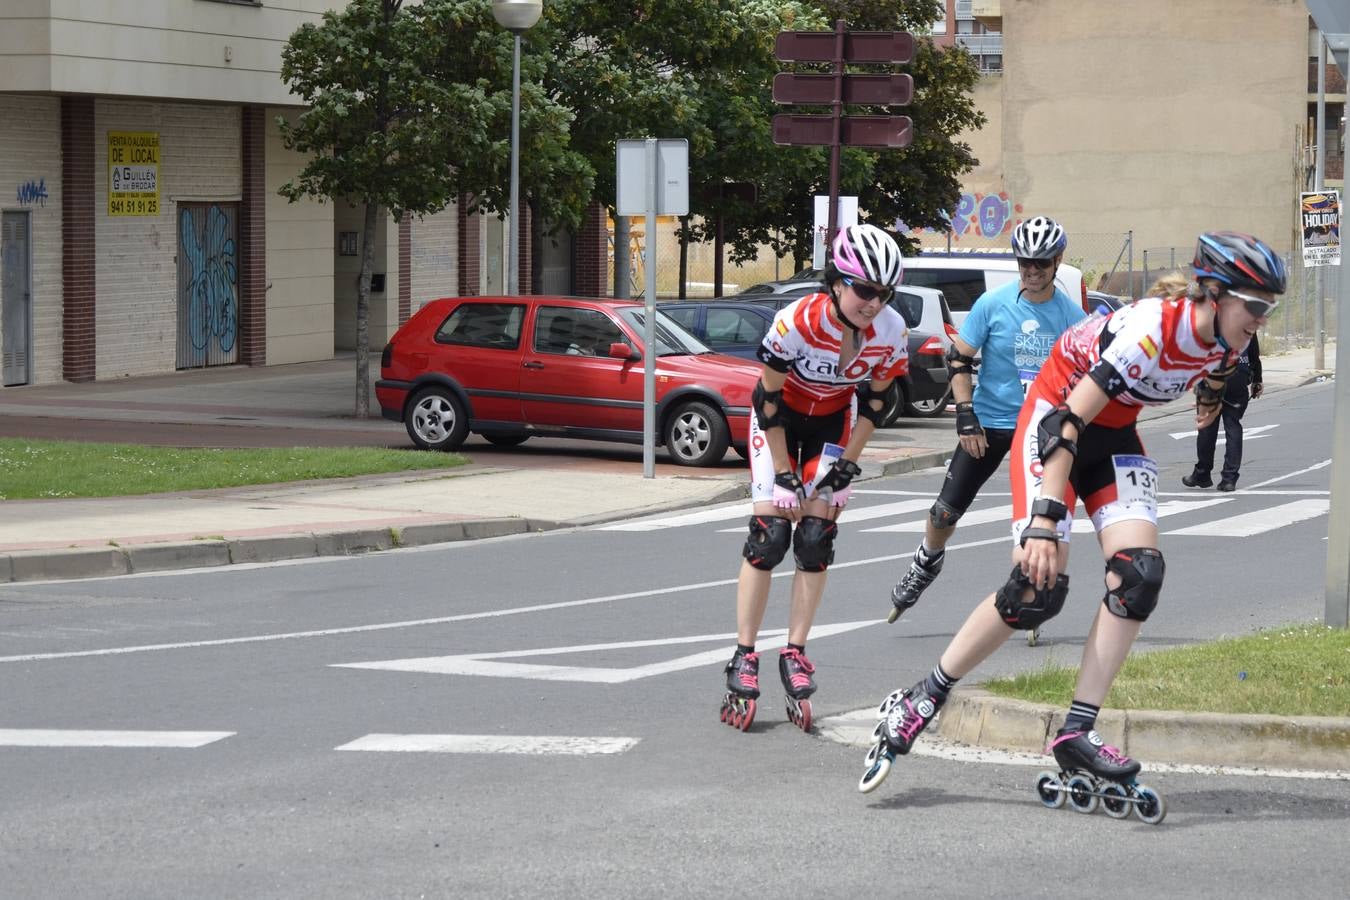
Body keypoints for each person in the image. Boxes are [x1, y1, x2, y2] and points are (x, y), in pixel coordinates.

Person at [859, 231, 1285, 798]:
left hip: (1114, 434)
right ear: (1212, 292)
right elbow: (1065, 423)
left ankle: (1077, 731)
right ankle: (926, 694)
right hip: (1055, 418)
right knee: (1036, 589)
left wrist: (1209, 400)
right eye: (1255, 305)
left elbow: (1214, 371)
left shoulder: (1227, 342)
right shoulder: (1151, 331)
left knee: (1140, 576)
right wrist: (1044, 519)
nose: (1261, 318)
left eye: (1268, 308)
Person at [720, 223, 910, 733]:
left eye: (883, 293)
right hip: (779, 423)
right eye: (864, 290)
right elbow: (768, 400)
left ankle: (796, 652)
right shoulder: (796, 322)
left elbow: (876, 400)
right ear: (837, 282)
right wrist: (783, 474)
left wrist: (849, 460)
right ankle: (744, 654)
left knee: (814, 538)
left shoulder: (891, 330)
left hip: (831, 422)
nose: (873, 303)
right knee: (770, 536)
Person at [888, 216, 1085, 622]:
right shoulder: (992, 305)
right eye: (1024, 262)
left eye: (1041, 264)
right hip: (990, 424)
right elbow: (957, 357)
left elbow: (1084, 380)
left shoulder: (1071, 316)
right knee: (944, 512)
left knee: (1038, 518)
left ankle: (1031, 586)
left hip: (1040, 432)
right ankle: (927, 560)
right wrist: (965, 417)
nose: (1031, 271)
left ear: (1057, 261)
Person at [1184, 332, 1262, 492]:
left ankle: (1202, 473)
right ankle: (1229, 478)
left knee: (1207, 428)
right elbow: (1254, 354)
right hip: (1239, 375)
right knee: (1232, 425)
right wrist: (1257, 380)